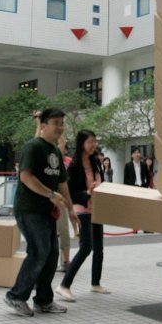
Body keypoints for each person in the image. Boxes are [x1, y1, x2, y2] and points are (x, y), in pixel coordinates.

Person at [4, 108, 78, 317]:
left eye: (62, 123)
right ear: (43, 125)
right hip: (29, 210)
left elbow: (62, 182)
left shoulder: (55, 151)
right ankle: (16, 296)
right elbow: (26, 177)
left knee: (51, 254)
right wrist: (50, 194)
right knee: (39, 252)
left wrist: (71, 209)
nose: (60, 127)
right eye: (55, 122)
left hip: (47, 211)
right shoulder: (33, 147)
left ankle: (44, 301)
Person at [56, 129, 110, 302]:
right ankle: (64, 285)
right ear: (82, 143)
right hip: (82, 208)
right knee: (86, 246)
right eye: (90, 142)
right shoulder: (75, 165)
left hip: (97, 208)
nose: (94, 145)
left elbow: (100, 182)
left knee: (99, 248)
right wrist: (88, 192)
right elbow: (71, 192)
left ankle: (95, 283)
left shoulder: (95, 161)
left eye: (95, 141)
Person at [56, 133, 73, 268]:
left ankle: (66, 261)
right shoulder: (42, 156)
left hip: (60, 200)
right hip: (46, 199)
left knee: (64, 231)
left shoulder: (63, 161)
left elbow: (61, 147)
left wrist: (60, 132)